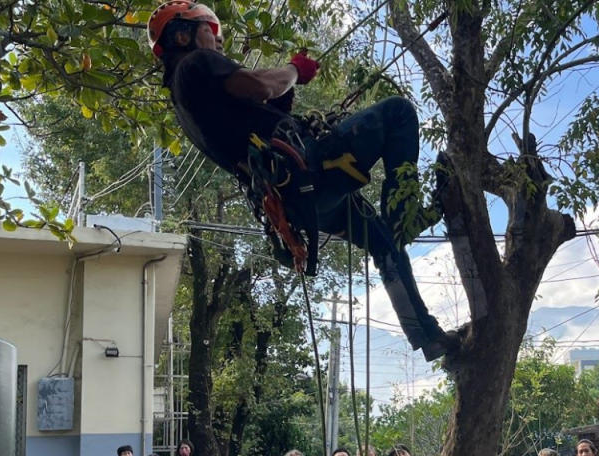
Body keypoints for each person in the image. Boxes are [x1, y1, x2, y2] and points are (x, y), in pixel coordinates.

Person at [147, 1, 452, 361]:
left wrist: (285, 95)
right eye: (209, 31)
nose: (217, 43)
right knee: (398, 113)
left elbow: (260, 114)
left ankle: (428, 338)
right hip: (311, 170)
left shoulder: (187, 102)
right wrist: (294, 69)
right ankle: (405, 213)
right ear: (183, 34)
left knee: (384, 243)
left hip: (300, 202)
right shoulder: (196, 64)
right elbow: (260, 86)